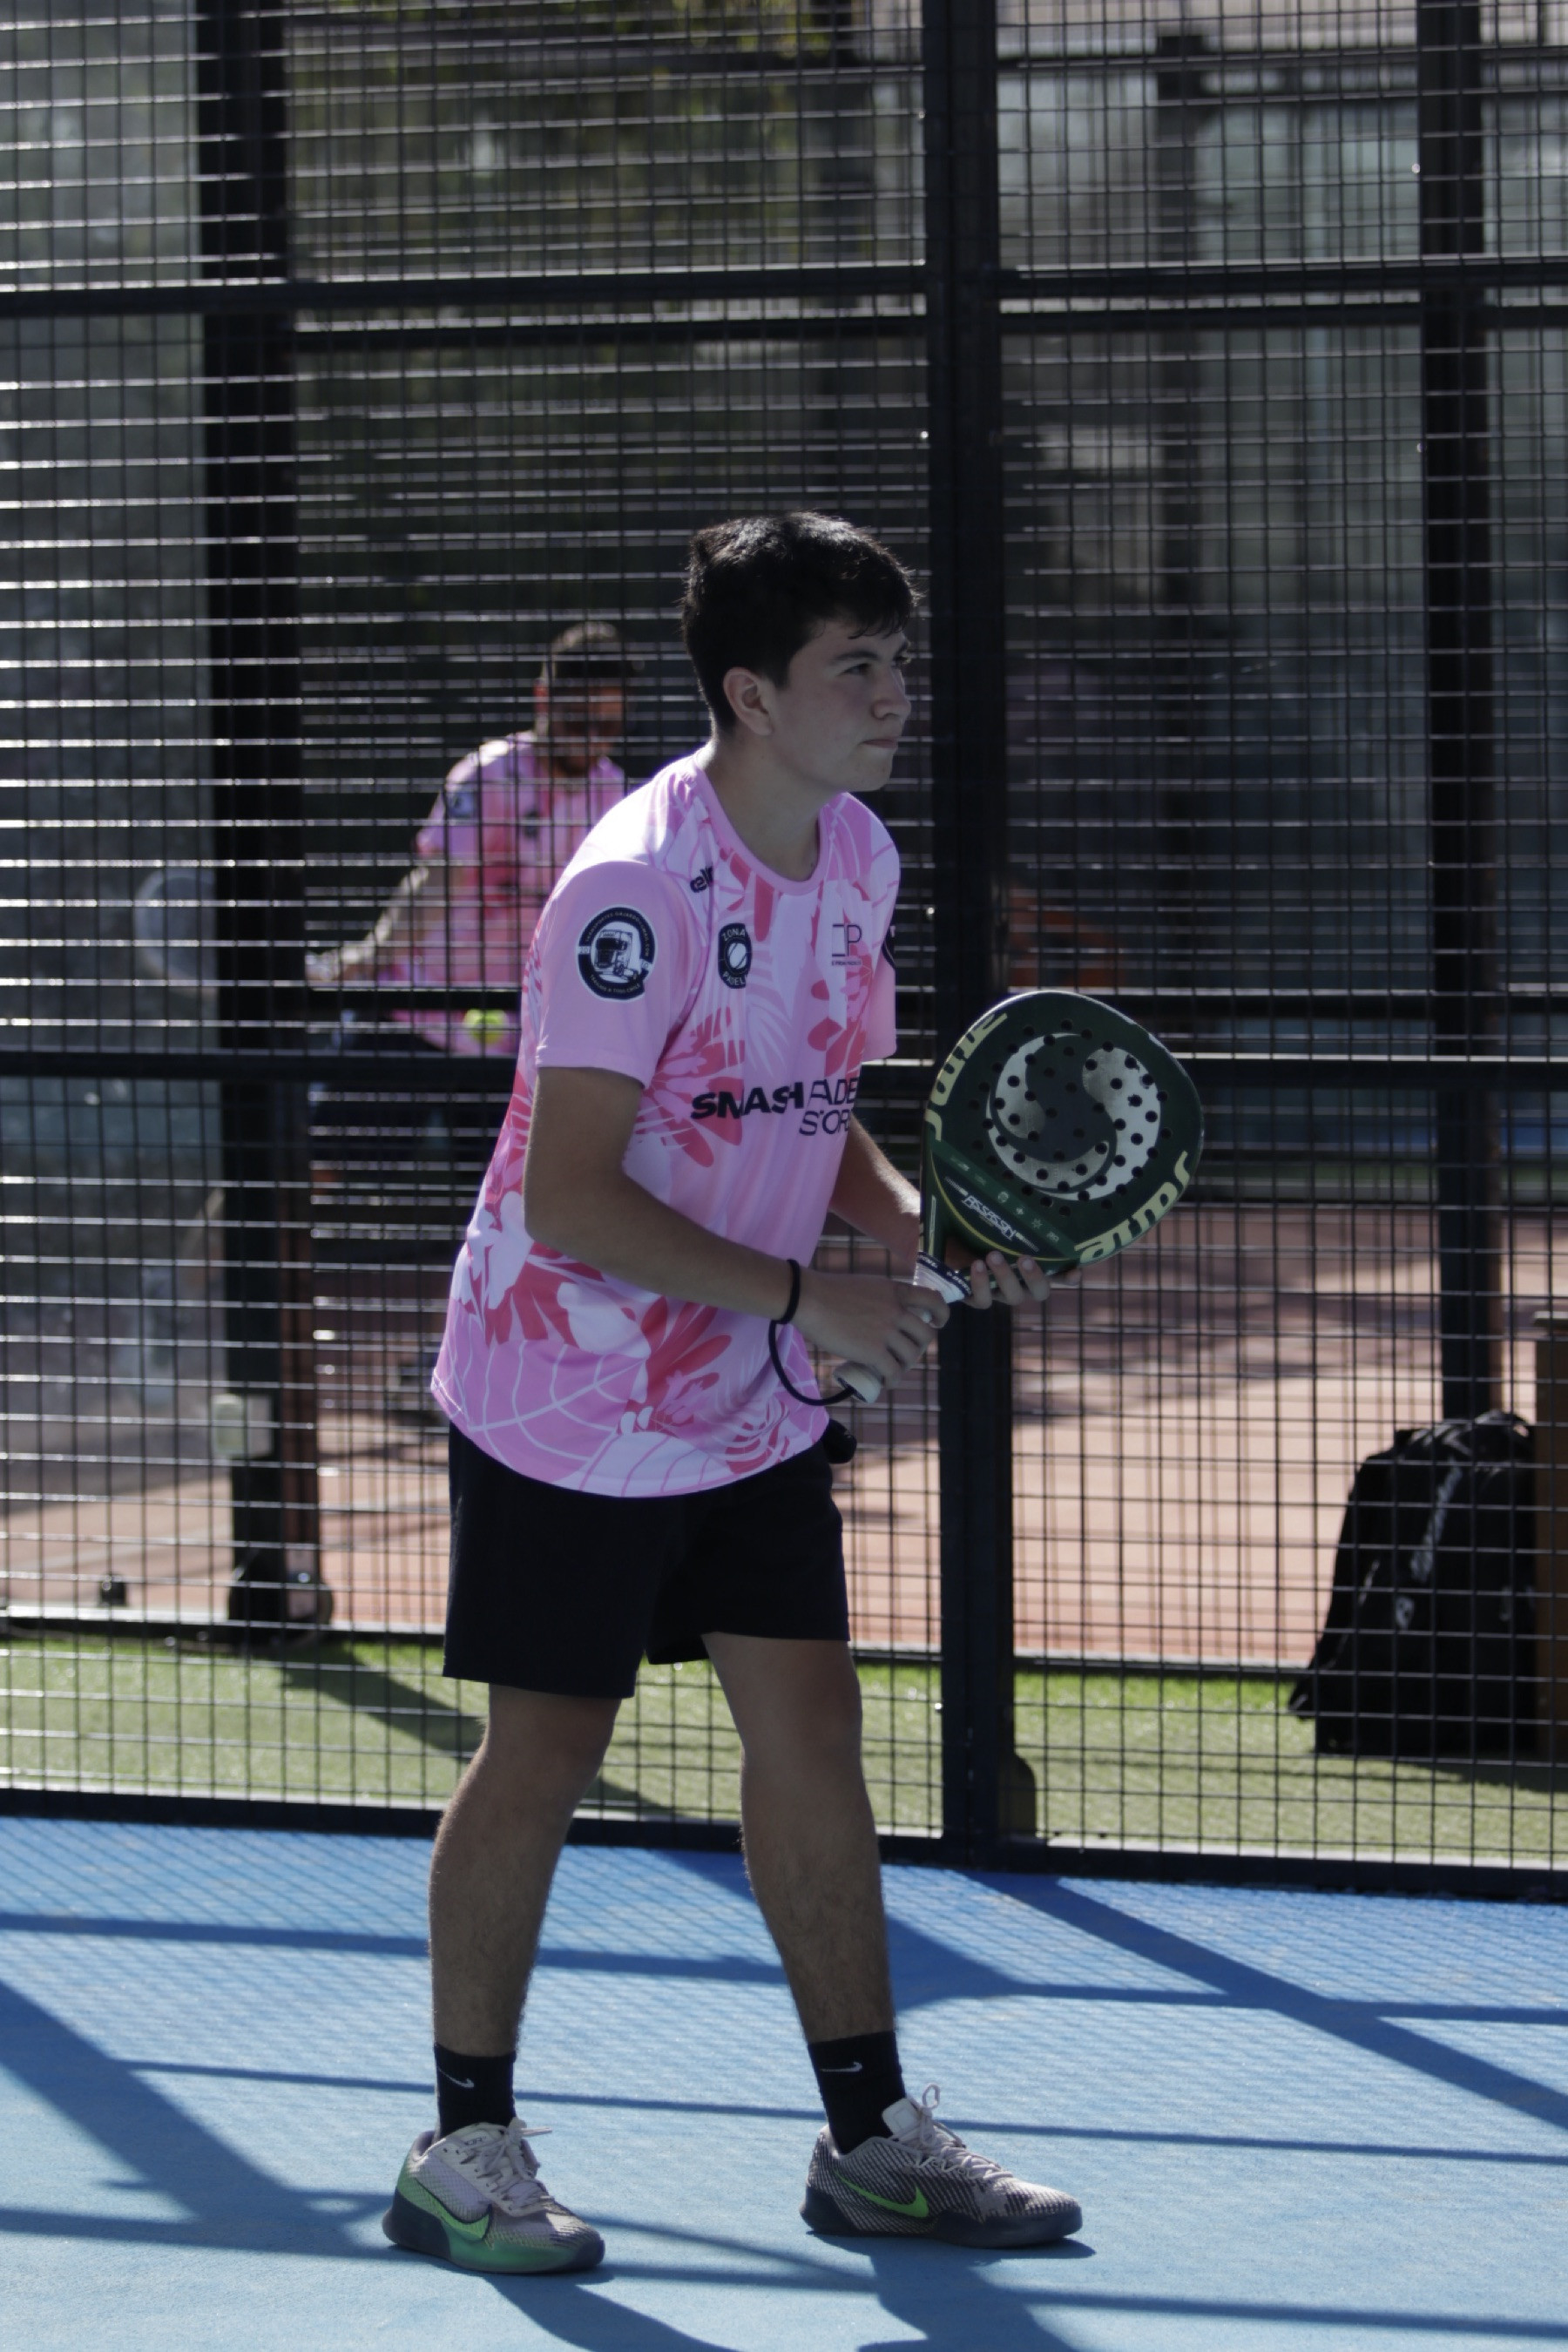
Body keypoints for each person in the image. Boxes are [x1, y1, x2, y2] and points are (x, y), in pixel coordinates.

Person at [382, 514, 1084, 2274]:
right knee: (548, 1747)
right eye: (858, 667)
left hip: (745, 1390)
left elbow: (807, 1095)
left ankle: (870, 2138)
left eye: (898, 661)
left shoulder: (857, 856)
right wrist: (815, 1298)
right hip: (566, 1383)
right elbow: (572, 1195)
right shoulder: (628, 892)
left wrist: (911, 1228)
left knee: (812, 1731)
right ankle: (461, 2145)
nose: (895, 695)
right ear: (752, 695)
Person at [306, 624, 639, 1409]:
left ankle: (450, 1369)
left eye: (607, 723)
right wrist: (362, 959)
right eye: (578, 717)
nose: (591, 737)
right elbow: (433, 888)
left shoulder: (618, 801)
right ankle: (189, 1297)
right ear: (543, 698)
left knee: (497, 1216)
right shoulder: (488, 776)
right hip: (415, 1017)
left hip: (516, 1047)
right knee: (300, 1163)